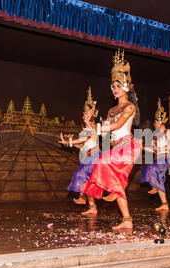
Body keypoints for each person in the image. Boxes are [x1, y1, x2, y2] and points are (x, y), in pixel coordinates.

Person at [81, 49, 141, 231]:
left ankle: (116, 192)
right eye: (113, 86)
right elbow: (103, 132)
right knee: (115, 183)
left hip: (128, 147)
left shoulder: (129, 107)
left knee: (102, 162)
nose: (115, 89)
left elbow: (117, 126)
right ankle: (127, 219)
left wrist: (98, 127)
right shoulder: (111, 110)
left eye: (118, 85)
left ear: (127, 87)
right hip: (117, 148)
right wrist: (88, 121)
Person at [58, 87, 100, 215]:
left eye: (86, 114)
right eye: (84, 114)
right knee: (87, 181)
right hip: (87, 158)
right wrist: (71, 143)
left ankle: (83, 198)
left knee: (81, 175)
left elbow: (85, 138)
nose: (84, 116)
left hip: (93, 159)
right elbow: (81, 146)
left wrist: (69, 142)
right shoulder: (85, 128)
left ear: (91, 115)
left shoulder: (92, 128)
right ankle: (92, 206)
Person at [140, 98, 170, 211]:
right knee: (152, 172)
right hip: (158, 158)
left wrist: (160, 148)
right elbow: (153, 150)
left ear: (160, 122)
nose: (154, 124)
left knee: (151, 168)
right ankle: (164, 203)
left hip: (165, 159)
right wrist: (143, 147)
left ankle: (154, 186)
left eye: (155, 122)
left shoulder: (167, 132)